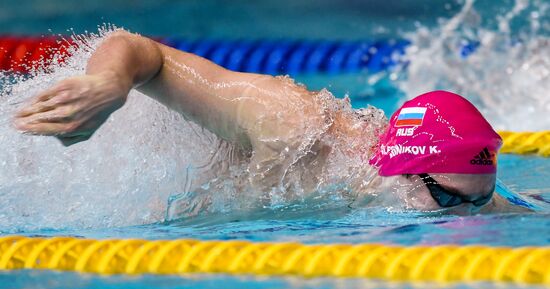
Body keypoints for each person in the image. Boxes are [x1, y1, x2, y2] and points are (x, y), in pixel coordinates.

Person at [12, 30, 511, 213]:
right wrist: (108, 87)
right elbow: (141, 51)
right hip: (61, 151)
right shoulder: (291, 124)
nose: (466, 215)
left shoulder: (442, 183)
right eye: (449, 201)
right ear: (401, 171)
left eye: (481, 198)